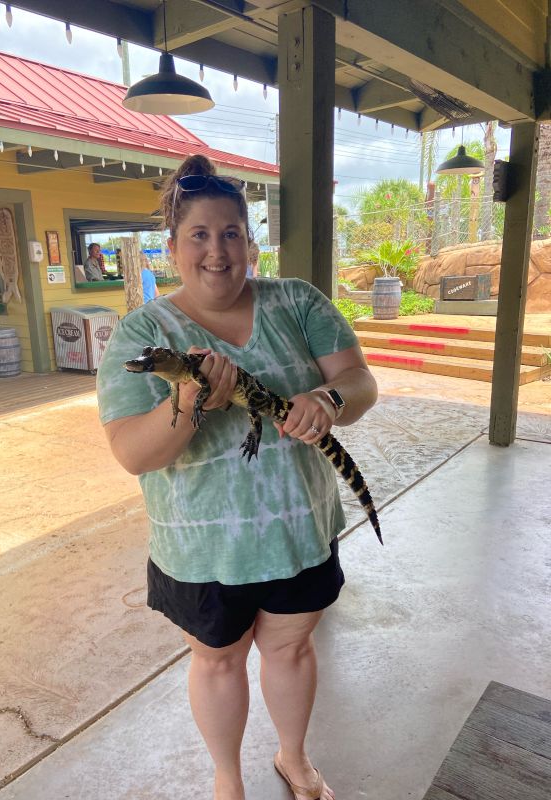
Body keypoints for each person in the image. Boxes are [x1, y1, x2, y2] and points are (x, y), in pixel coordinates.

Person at [97, 154, 377, 800]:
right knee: (218, 662)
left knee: (292, 652)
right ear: (171, 247)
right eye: (198, 235)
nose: (217, 251)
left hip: (295, 535)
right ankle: (227, 778)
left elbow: (360, 381)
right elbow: (133, 452)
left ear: (250, 243)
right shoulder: (143, 330)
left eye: (231, 234)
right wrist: (194, 402)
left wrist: (329, 402)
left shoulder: (297, 301)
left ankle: (294, 758)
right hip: (202, 551)